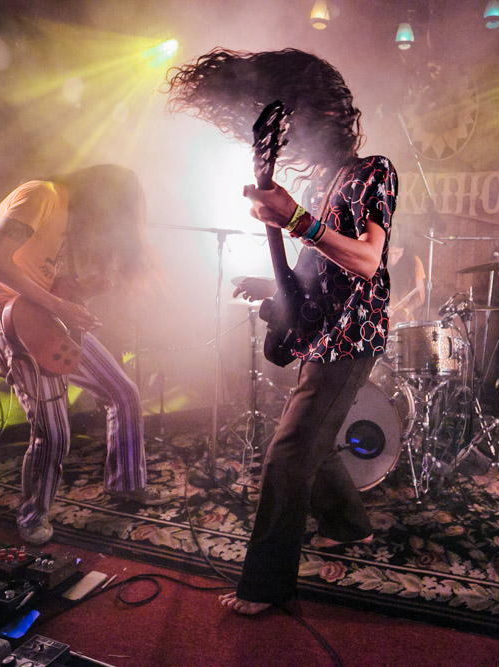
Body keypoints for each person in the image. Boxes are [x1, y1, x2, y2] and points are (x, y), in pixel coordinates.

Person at [167, 48, 397, 615]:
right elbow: (318, 271)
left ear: (326, 118)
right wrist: (274, 284)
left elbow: (367, 261)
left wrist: (294, 219)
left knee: (288, 454)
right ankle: (349, 528)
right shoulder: (322, 181)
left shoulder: (374, 170)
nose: (296, 139)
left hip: (353, 338)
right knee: (313, 445)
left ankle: (264, 585)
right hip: (323, 333)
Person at [0, 164, 170, 546]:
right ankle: (32, 515)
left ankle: (126, 485)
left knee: (123, 392)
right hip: (13, 321)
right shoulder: (42, 194)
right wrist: (60, 306)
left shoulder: (64, 220)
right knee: (53, 432)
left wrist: (83, 289)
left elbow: (46, 280)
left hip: (44, 316)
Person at [385, 237, 427, 325]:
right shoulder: (376, 260)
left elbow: (419, 297)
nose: (392, 259)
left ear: (404, 251)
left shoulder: (414, 262)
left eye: (397, 253)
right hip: (377, 322)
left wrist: (405, 311)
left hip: (402, 324)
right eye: (389, 253)